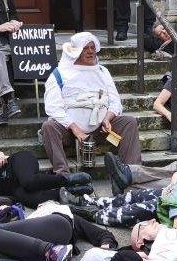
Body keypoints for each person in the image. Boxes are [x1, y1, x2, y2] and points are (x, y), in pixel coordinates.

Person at [41, 32, 142, 175]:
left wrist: (107, 119)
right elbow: (53, 108)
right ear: (76, 51)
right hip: (69, 132)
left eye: (92, 48)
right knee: (49, 127)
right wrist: (76, 130)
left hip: (101, 130)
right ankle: (63, 175)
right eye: (85, 48)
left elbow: (115, 101)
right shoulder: (59, 74)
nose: (90, 51)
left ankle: (132, 172)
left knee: (129, 122)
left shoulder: (102, 71)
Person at [0, 200, 118, 261]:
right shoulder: (31, 221)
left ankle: (52, 251)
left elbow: (102, 234)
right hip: (40, 252)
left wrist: (105, 248)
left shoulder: (62, 211)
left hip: (58, 226)